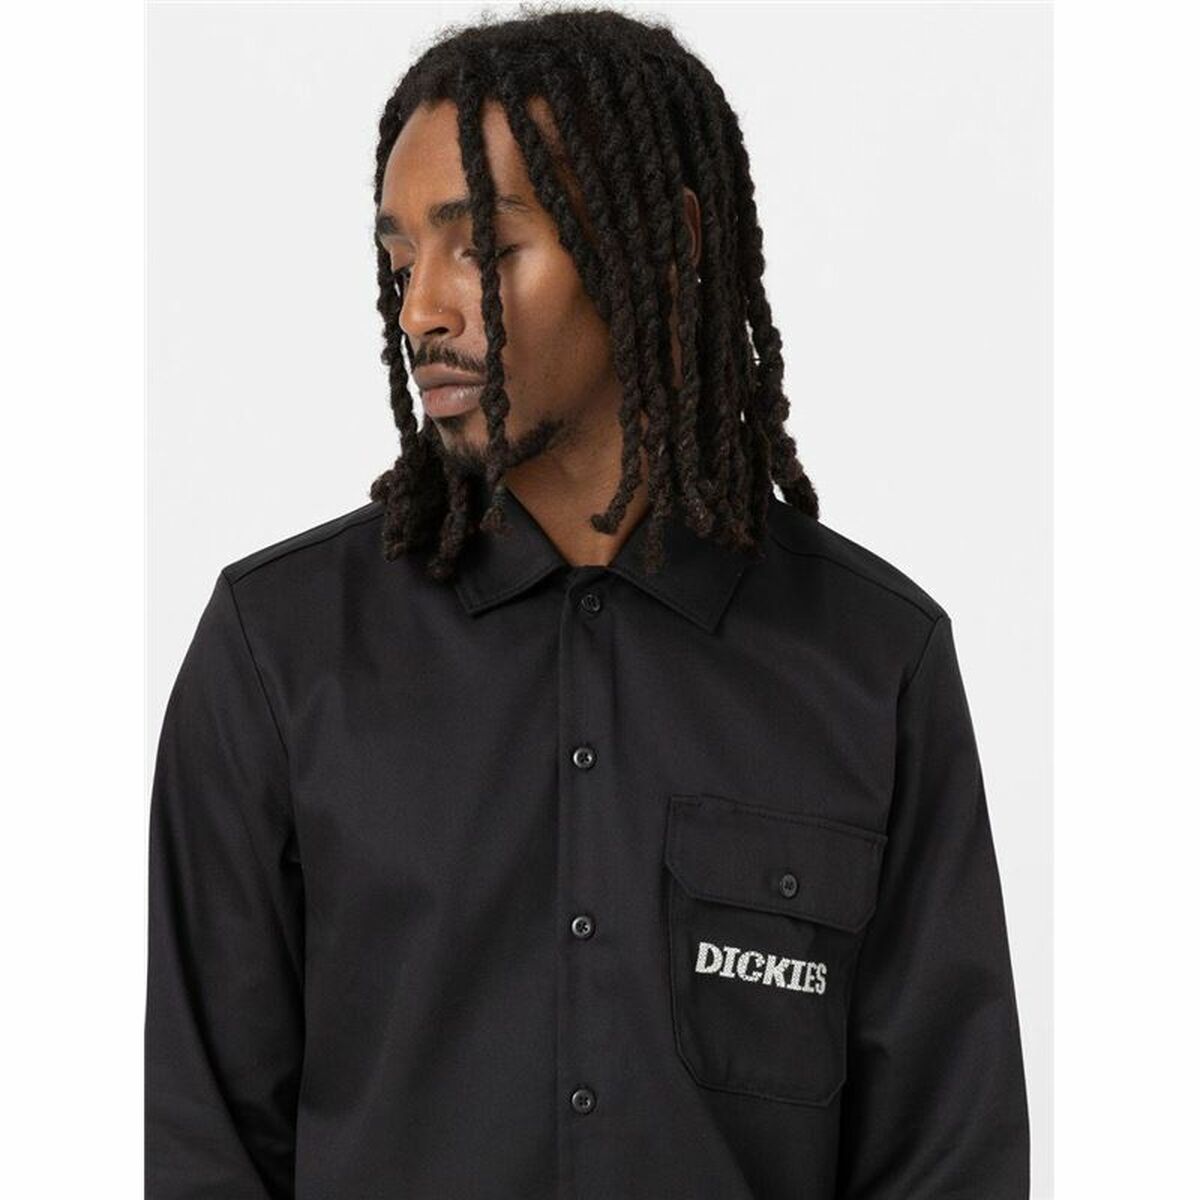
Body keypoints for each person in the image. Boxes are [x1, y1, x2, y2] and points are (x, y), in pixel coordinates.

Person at [144, 7, 1030, 1197]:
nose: (421, 311)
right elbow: (204, 1149)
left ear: (662, 244)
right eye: (401, 261)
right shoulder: (280, 654)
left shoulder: (874, 666)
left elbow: (948, 1160)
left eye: (482, 248)